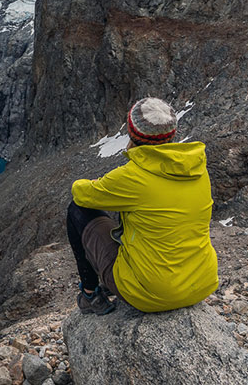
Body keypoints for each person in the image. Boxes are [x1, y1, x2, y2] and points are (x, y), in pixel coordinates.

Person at [65, 97, 218, 315]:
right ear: (172, 134)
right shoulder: (197, 168)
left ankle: (90, 294)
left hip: (152, 294)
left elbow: (81, 193)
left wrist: (105, 182)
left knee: (77, 210)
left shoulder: (133, 177)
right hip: (201, 283)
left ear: (132, 132)